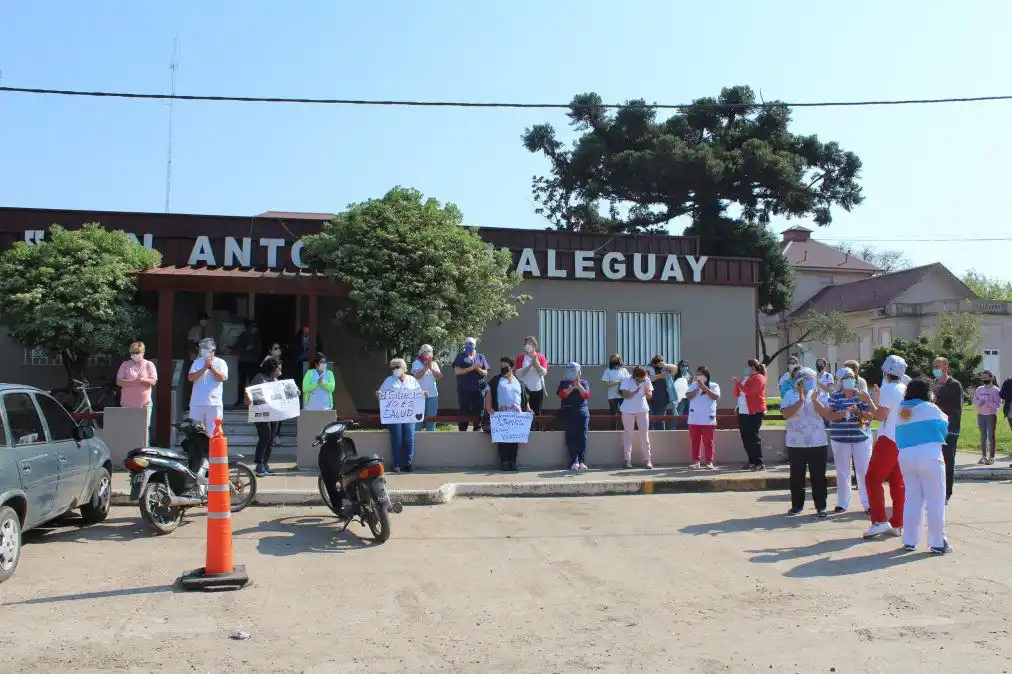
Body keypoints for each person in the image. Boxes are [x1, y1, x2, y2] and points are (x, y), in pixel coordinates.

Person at [895, 378, 954, 554]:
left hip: (905, 456)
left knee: (912, 499)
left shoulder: (901, 410)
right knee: (935, 500)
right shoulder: (931, 408)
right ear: (927, 392)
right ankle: (937, 542)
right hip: (930, 456)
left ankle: (909, 540)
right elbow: (944, 428)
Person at [860, 354, 907, 539]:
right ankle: (897, 523)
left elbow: (881, 415)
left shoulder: (889, 388)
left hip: (888, 439)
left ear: (886, 371)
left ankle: (879, 521)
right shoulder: (904, 388)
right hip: (901, 439)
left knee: (872, 478)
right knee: (897, 482)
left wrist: (870, 400)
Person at [814, 368, 873, 513]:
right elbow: (829, 416)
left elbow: (870, 417)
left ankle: (868, 504)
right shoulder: (834, 396)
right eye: (846, 377)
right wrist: (844, 412)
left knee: (863, 471)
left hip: (861, 437)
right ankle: (843, 503)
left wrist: (858, 412)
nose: (849, 380)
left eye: (851, 377)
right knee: (842, 471)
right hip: (840, 438)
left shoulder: (862, 395)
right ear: (840, 381)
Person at [780, 368, 830, 517]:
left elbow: (826, 414)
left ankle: (821, 507)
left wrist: (814, 400)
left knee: (819, 476)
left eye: (811, 379)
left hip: (817, 442)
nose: (808, 382)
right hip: (796, 443)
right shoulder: (790, 395)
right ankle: (797, 506)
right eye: (805, 380)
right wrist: (800, 401)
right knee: (796, 476)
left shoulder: (820, 395)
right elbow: (786, 414)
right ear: (799, 382)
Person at [484, 356, 532, 472]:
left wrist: (528, 408)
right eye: (501, 366)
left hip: (516, 415)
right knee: (503, 440)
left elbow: (524, 397)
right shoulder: (496, 380)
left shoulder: (519, 382)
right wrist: (489, 407)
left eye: (505, 366)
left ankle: (513, 462)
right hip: (501, 415)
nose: (502, 368)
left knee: (514, 440)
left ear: (512, 367)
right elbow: (489, 393)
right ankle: (504, 462)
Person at [377, 358, 421, 472]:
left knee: (409, 439)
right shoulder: (389, 380)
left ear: (404, 368)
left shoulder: (412, 380)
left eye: (398, 367)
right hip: (395, 416)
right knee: (397, 439)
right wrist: (378, 394)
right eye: (393, 368)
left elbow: (419, 393)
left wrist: (423, 394)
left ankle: (408, 464)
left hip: (409, 415)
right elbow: (381, 394)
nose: (395, 369)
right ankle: (396, 464)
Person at [932, 357, 963, 502]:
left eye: (937, 366)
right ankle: (935, 490)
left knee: (948, 460)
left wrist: (936, 403)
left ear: (946, 367)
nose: (935, 368)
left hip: (950, 429)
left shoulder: (954, 385)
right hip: (934, 428)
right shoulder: (933, 384)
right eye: (934, 366)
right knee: (934, 461)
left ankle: (946, 493)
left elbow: (955, 407)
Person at [116, 341, 158, 443]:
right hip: (127, 404)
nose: (135, 355)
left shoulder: (149, 364)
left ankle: (144, 452)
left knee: (143, 430)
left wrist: (142, 380)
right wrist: (133, 382)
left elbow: (153, 381)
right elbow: (119, 381)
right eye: (133, 353)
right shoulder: (125, 365)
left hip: (144, 405)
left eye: (137, 352)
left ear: (142, 353)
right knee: (128, 430)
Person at [246, 358, 280, 476]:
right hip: (262, 413)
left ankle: (265, 464)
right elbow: (251, 393)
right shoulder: (260, 378)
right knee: (265, 437)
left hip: (274, 413)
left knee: (271, 439)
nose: (279, 370)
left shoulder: (275, 380)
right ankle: (259, 464)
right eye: (278, 368)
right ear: (272, 368)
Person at [187, 337, 228, 432]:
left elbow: (222, 378)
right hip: (197, 403)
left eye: (206, 348)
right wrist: (205, 367)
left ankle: (211, 447)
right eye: (202, 348)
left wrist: (211, 367)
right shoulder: (197, 362)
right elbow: (191, 378)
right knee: (196, 432)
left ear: (212, 350)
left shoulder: (221, 362)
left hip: (214, 404)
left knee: (213, 432)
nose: (203, 350)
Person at [556, 362, 591, 471]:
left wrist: (578, 385)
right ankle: (573, 461)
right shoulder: (563, 383)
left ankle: (581, 461)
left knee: (582, 436)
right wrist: (571, 387)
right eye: (569, 370)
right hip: (568, 411)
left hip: (582, 412)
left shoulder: (584, 382)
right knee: (571, 435)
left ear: (579, 371)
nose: (571, 372)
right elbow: (561, 395)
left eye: (573, 370)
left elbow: (586, 395)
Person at [733, 359, 768, 470]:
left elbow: (751, 392)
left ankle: (759, 462)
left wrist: (739, 384)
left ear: (753, 366)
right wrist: (737, 385)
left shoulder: (759, 378)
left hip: (755, 411)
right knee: (746, 437)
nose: (746, 368)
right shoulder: (745, 378)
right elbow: (736, 393)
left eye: (747, 366)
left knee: (753, 437)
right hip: (743, 411)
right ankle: (751, 461)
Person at [686, 366, 720, 469]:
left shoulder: (714, 385)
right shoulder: (693, 385)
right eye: (697, 374)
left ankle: (709, 462)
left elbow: (714, 397)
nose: (698, 376)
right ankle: (696, 461)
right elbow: (688, 396)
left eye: (700, 374)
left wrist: (704, 387)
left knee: (708, 442)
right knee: (695, 442)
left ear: (706, 375)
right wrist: (697, 387)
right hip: (694, 419)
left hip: (708, 419)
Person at [619, 365, 654, 469]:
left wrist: (647, 393)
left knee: (644, 435)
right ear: (635, 376)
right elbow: (625, 395)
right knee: (628, 435)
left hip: (642, 410)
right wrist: (636, 390)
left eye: (643, 378)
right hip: (627, 410)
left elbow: (650, 396)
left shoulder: (647, 380)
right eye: (640, 378)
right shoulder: (626, 379)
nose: (642, 380)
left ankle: (648, 460)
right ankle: (627, 460)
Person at [452, 337, 488, 432]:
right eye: (467, 344)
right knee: (464, 410)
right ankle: (463, 431)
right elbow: (457, 371)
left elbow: (485, 373)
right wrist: (472, 368)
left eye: (471, 344)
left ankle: (477, 429)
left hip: (479, 389)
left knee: (479, 410)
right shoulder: (460, 357)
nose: (468, 345)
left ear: (475, 345)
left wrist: (478, 369)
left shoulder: (480, 357)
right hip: (465, 389)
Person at [972, 370, 1001, 465]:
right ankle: (983, 456)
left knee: (991, 436)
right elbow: (975, 401)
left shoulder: (996, 390)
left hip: (991, 415)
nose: (984, 380)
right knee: (983, 436)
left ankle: (992, 457)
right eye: (983, 378)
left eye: (986, 378)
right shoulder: (979, 389)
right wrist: (978, 404)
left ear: (991, 377)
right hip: (981, 415)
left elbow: (998, 405)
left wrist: (987, 402)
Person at [515, 336, 548, 417]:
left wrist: (536, 364)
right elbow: (518, 373)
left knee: (537, 412)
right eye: (527, 343)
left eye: (531, 343)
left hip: (537, 389)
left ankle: (537, 429)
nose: (528, 345)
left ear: (535, 345)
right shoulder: (521, 357)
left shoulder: (541, 357)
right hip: (524, 390)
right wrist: (529, 366)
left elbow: (543, 372)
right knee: (523, 412)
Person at [231, 320, 262, 406]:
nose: (253, 328)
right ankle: (240, 400)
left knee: (254, 382)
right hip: (243, 362)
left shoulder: (257, 337)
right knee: (241, 382)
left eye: (254, 327)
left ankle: (255, 400)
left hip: (253, 362)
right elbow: (236, 349)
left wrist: (253, 350)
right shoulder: (242, 336)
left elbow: (259, 349)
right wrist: (245, 348)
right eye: (252, 326)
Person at [411, 345, 441, 431]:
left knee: (431, 418)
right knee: (418, 418)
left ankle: (431, 437)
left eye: (431, 351)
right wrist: (426, 367)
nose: (430, 353)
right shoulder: (416, 363)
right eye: (428, 351)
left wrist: (431, 368)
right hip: (419, 395)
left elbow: (439, 376)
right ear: (422, 353)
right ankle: (416, 436)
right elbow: (417, 376)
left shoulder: (434, 363)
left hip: (433, 395)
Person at [646, 355, 677, 430]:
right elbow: (647, 379)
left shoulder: (665, 368)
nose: (657, 365)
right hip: (649, 398)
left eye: (659, 362)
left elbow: (675, 369)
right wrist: (659, 376)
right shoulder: (647, 368)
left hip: (662, 398)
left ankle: (660, 437)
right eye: (655, 362)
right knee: (649, 419)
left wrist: (665, 365)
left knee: (660, 419)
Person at [602, 354, 632, 430]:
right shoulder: (608, 371)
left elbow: (629, 380)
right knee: (613, 415)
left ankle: (625, 430)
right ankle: (613, 431)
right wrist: (617, 383)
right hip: (612, 396)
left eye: (617, 360)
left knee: (625, 413)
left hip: (623, 395)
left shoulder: (624, 370)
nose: (615, 361)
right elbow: (605, 384)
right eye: (613, 360)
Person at [674, 360, 692, 429]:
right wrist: (687, 382)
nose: (684, 367)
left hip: (689, 395)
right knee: (679, 411)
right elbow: (678, 385)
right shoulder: (677, 375)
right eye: (683, 366)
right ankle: (677, 427)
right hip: (680, 396)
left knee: (688, 411)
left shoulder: (689, 374)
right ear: (679, 367)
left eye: (686, 365)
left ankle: (688, 426)